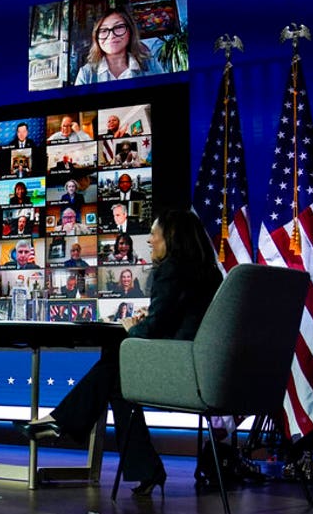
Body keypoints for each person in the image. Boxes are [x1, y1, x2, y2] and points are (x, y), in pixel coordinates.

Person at [13, 210, 223, 497]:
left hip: (181, 372)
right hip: (198, 366)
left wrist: (132, 327)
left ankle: (62, 421)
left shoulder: (172, 269)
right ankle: (141, 467)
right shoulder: (206, 271)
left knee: (117, 357)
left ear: (171, 238)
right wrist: (147, 321)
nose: (149, 240)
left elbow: (154, 330)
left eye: (154, 233)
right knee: (117, 378)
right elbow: (177, 320)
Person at [74, 8, 163, 85]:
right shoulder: (86, 74)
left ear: (130, 31)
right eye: (104, 30)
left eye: (119, 27)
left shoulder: (152, 65)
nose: (111, 35)